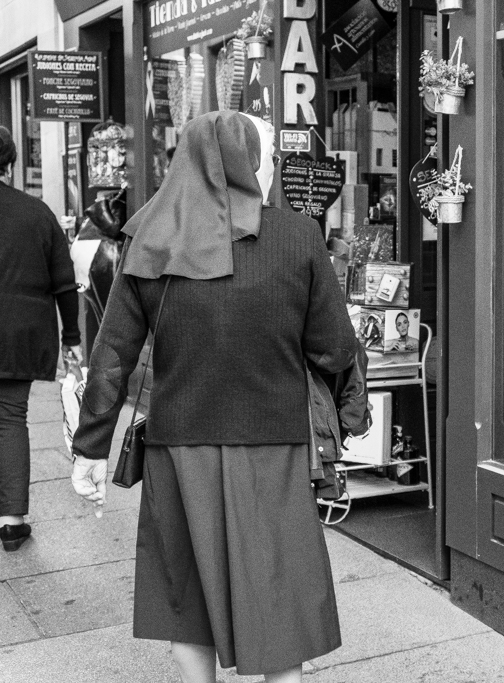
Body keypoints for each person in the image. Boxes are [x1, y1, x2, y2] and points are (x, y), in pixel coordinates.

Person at [71, 111, 359, 683]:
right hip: (273, 447)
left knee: (189, 609)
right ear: (246, 162)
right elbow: (334, 347)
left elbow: (113, 354)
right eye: (269, 154)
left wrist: (90, 447)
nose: (274, 165)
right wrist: (350, 411)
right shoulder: (296, 235)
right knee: (278, 614)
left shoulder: (149, 234)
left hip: (179, 449)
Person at [0, 125, 82, 552]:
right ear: (11, 164)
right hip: (21, 333)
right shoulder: (37, 213)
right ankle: (12, 521)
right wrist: (72, 337)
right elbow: (64, 283)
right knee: (11, 418)